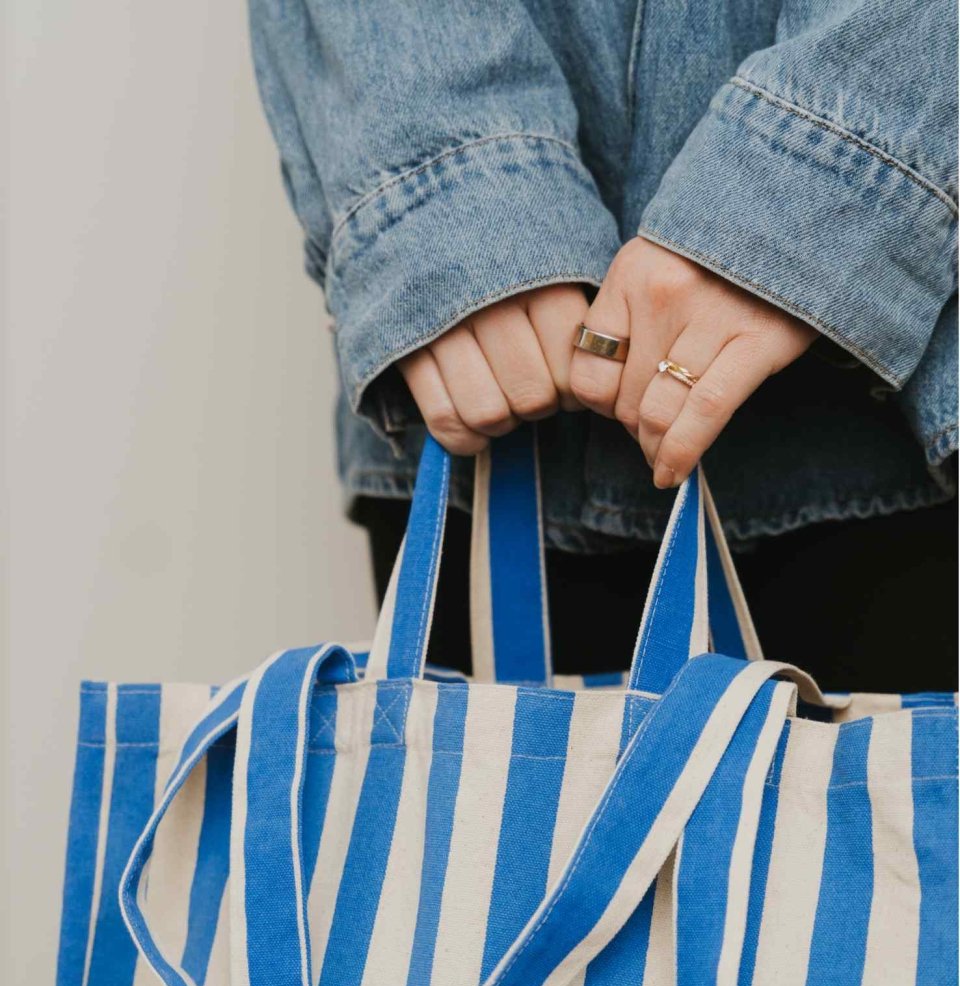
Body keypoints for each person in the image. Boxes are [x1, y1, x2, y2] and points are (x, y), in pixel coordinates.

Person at [248, 0, 958, 691]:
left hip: (910, 398)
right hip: (485, 366)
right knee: (458, 763)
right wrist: (457, 204)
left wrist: (802, 195)